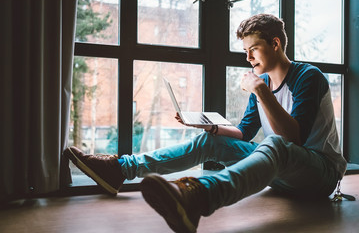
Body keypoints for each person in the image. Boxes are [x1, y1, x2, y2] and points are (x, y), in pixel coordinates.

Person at [64, 14, 347, 233]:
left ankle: (199, 198)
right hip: (284, 178)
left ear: (275, 44)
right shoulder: (262, 82)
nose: (247, 58)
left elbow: (293, 140)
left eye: (254, 49)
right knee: (209, 141)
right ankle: (120, 169)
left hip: (319, 176)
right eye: (245, 50)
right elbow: (244, 132)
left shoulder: (307, 76)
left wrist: (260, 91)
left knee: (274, 143)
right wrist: (211, 128)